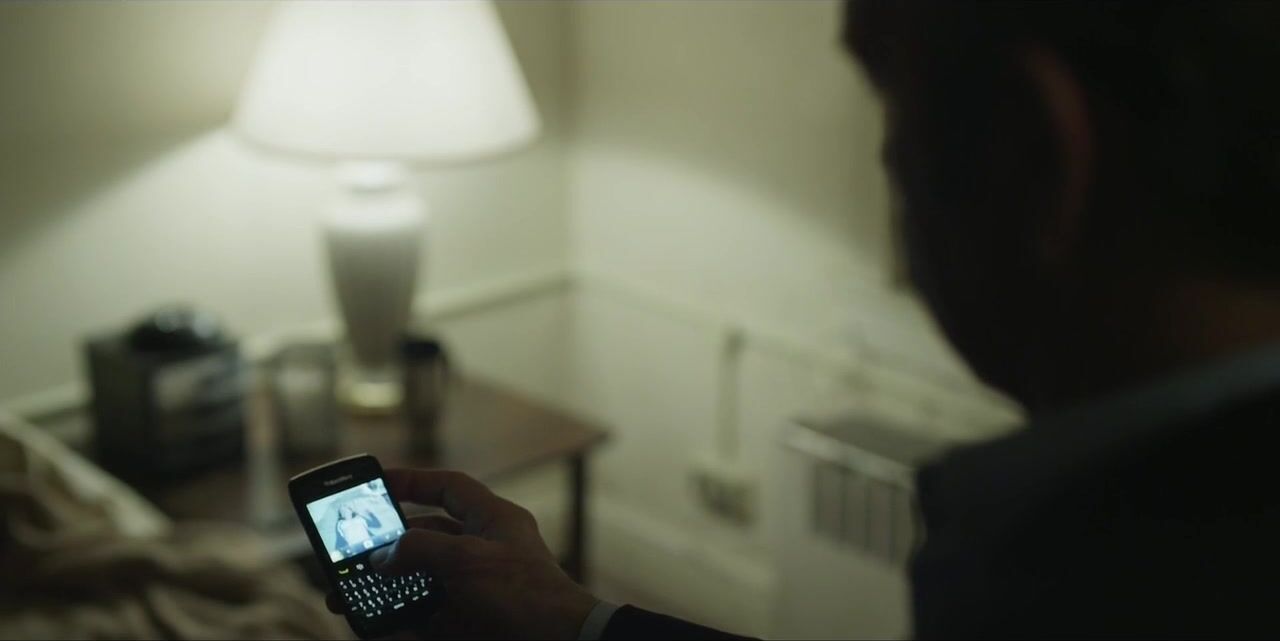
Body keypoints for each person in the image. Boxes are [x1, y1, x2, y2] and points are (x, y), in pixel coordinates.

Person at [333, 1, 1280, 637]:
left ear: (1031, 154)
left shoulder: (1091, 581)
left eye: (891, 108)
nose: (887, 166)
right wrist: (577, 620)